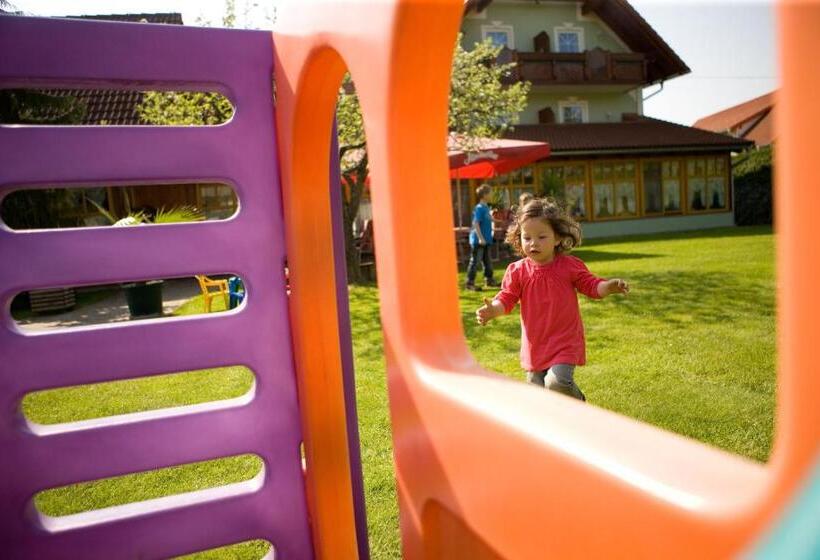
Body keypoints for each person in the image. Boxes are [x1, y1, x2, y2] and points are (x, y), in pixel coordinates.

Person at [475, 197, 629, 401]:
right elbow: (507, 298)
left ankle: (580, 402)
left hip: (565, 341)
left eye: (541, 237)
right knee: (539, 396)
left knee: (556, 383)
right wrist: (493, 309)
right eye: (527, 237)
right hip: (535, 345)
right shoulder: (517, 271)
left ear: (557, 238)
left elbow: (591, 285)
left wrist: (608, 287)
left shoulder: (569, 266)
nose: (533, 243)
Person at [465, 184, 498, 291]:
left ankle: (489, 280)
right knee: (475, 261)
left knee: (487, 261)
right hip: (478, 240)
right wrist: (480, 238)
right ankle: (470, 283)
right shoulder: (479, 208)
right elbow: (476, 223)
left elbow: (489, 219)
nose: (492, 194)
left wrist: (497, 219)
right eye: (490, 192)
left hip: (486, 239)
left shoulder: (486, 207)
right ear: (484, 195)